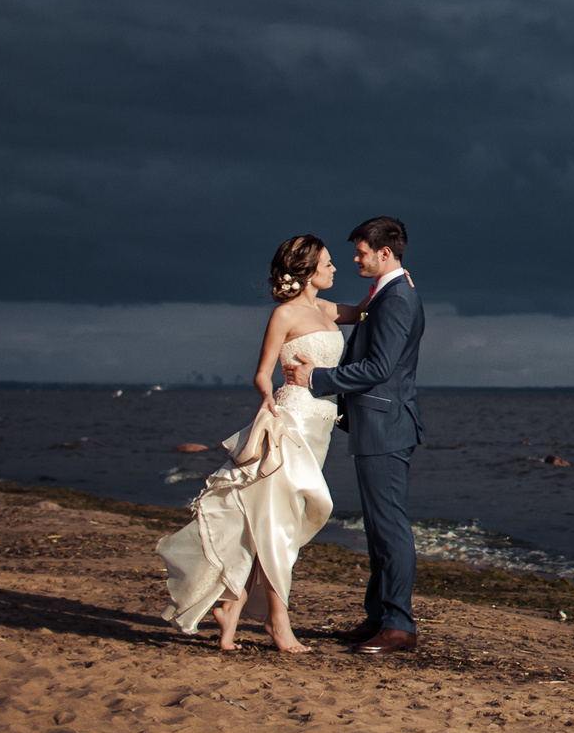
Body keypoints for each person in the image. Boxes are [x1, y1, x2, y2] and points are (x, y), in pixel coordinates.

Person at [156, 233, 353, 652]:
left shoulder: (328, 309)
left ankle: (233, 602)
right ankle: (277, 623)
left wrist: (396, 279)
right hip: (291, 423)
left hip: (322, 427)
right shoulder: (285, 315)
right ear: (308, 269)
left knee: (278, 523)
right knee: (277, 524)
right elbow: (262, 372)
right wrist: (267, 398)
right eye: (329, 263)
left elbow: (372, 311)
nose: (336, 268)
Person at [284, 214, 425, 654]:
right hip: (376, 424)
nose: (355, 258)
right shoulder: (386, 295)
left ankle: (399, 624)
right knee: (378, 529)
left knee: (390, 528)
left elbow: (380, 369)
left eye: (361, 252)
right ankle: (379, 616)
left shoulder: (398, 298)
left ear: (385, 253)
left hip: (386, 426)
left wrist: (316, 378)